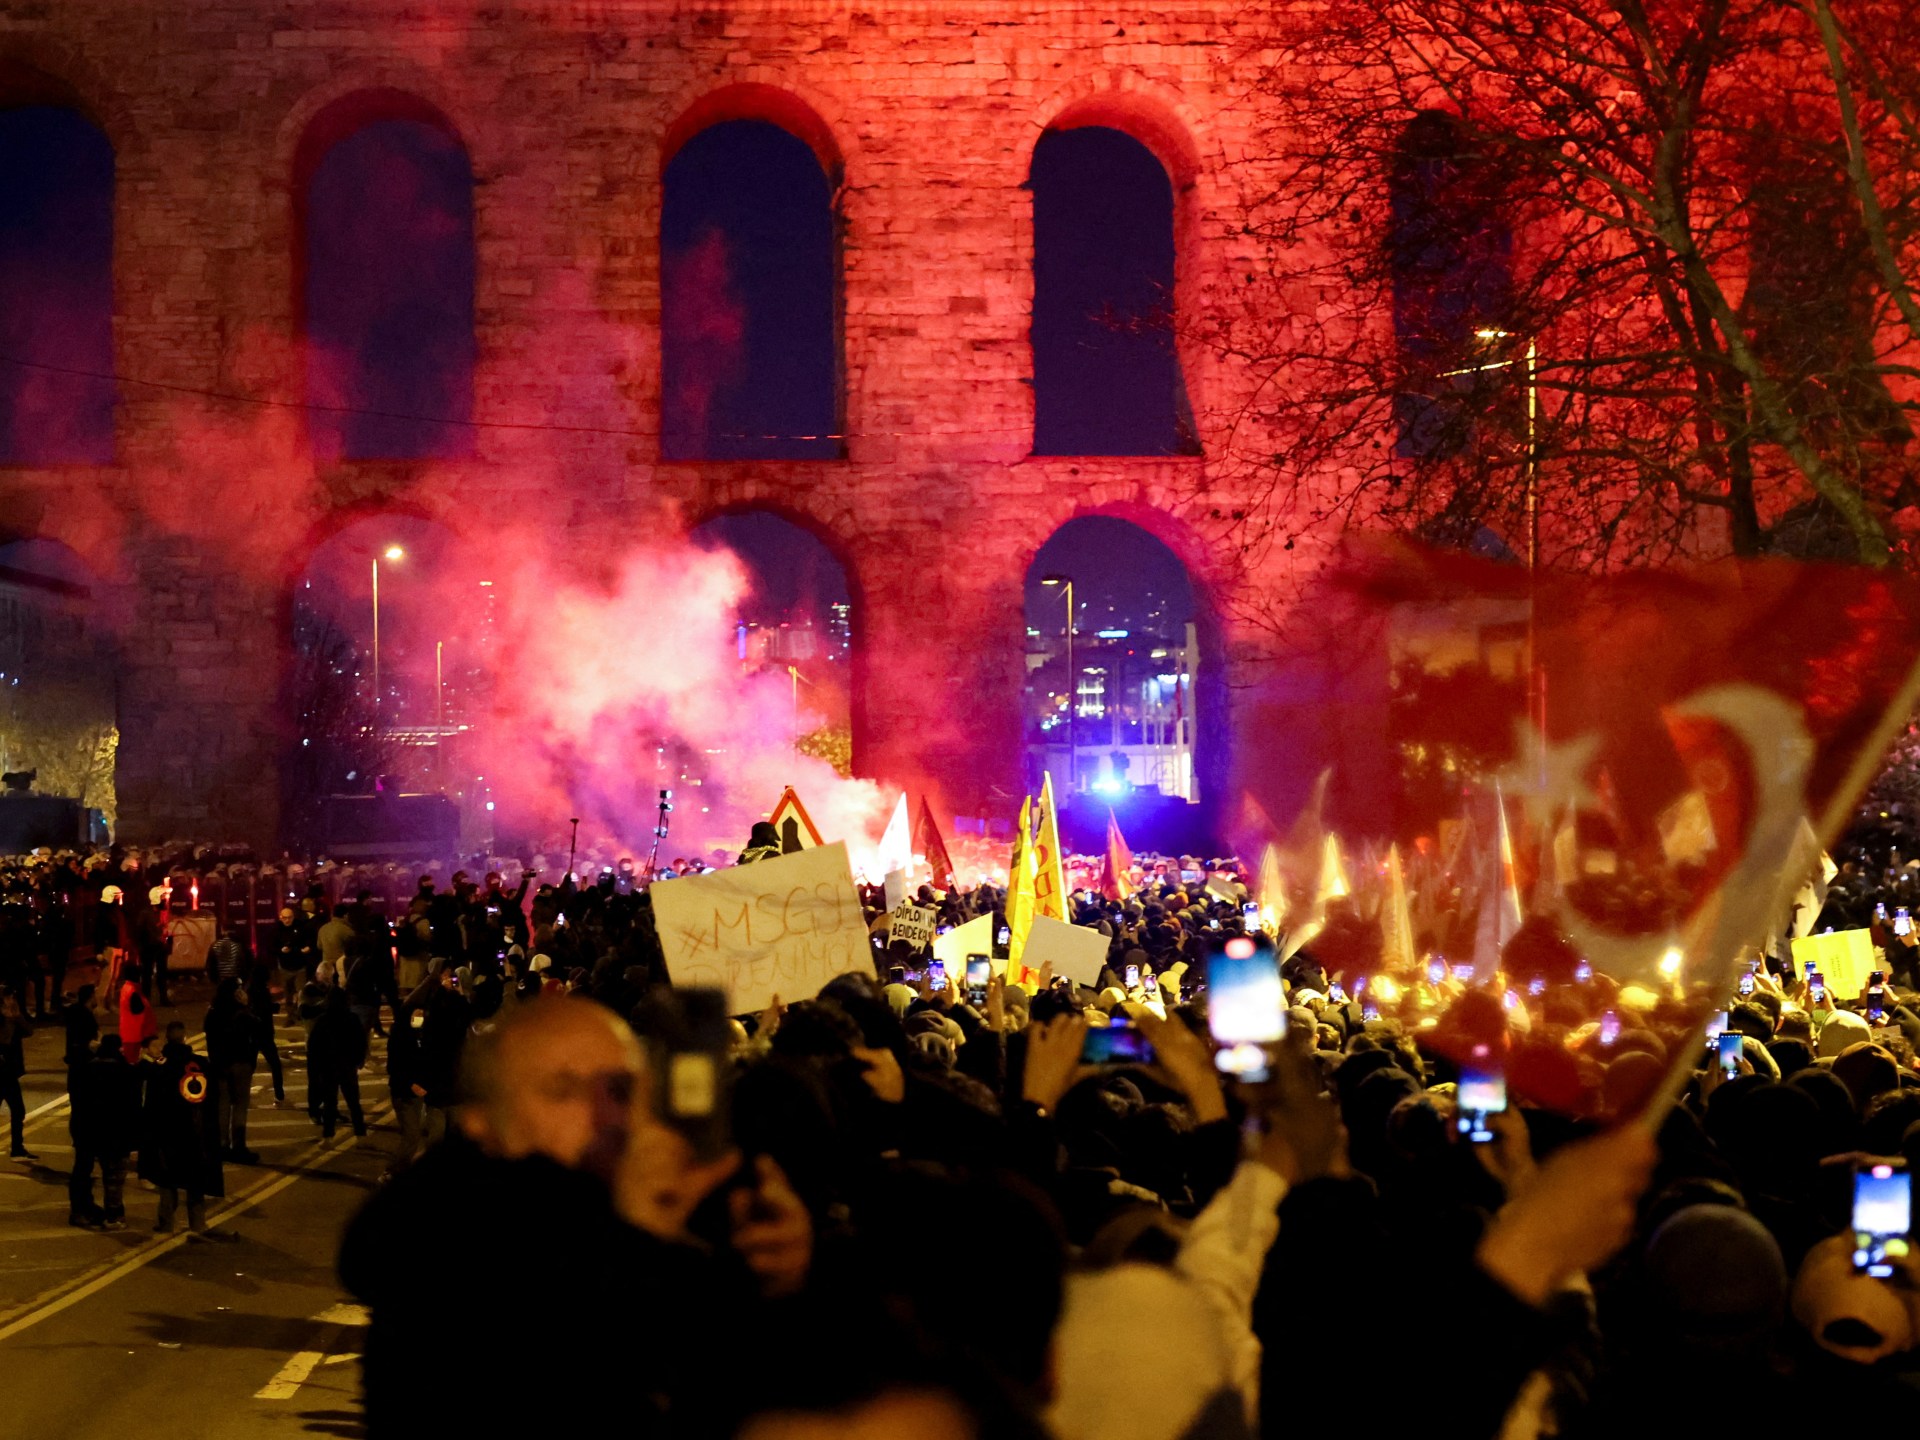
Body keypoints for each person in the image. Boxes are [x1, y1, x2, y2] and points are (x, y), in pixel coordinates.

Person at [340, 997, 813, 1439]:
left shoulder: (636, 1204)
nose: (604, 1114)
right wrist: (644, 1240)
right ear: (480, 1119)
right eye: (562, 1090)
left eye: (620, 1089)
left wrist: (780, 1275)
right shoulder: (439, 1243)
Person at [138, 1024, 228, 1238]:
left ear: (167, 1040)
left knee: (167, 1179)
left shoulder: (160, 1068)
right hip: (196, 1132)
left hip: (168, 1132)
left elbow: (151, 1104)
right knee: (195, 1178)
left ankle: (167, 1222)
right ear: (185, 1039)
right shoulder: (202, 1065)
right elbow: (213, 1098)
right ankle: (198, 1222)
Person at [69, 1031, 137, 1228]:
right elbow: (131, 1106)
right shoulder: (125, 1072)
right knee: (113, 1175)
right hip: (113, 1130)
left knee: (82, 1171)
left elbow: (77, 1096)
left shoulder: (85, 1069)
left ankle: (80, 1210)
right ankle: (113, 1214)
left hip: (85, 1128)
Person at [204, 977, 263, 1163]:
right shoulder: (241, 1013)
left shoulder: (213, 1012)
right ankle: (239, 1146)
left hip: (220, 1064)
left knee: (223, 1105)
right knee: (240, 1105)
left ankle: (222, 1145)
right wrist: (246, 1005)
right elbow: (258, 1029)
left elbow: (210, 1039)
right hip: (240, 1062)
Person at [308, 988, 368, 1141]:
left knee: (330, 1103)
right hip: (347, 1065)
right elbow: (360, 1041)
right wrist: (359, 1060)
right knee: (354, 1102)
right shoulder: (352, 1018)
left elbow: (314, 1047)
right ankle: (360, 1135)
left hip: (328, 1067)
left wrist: (315, 1069)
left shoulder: (322, 1020)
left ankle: (328, 1136)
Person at [0, 988, 34, 1159]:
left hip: (10, 1071)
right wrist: (8, 1019)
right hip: (2, 1071)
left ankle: (17, 1147)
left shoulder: (14, 1016)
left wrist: (17, 1016)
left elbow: (29, 1031)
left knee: (18, 1110)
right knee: (18, 1109)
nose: (12, 999)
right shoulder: (2, 1019)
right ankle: (17, 1147)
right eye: (9, 997)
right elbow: (4, 1039)